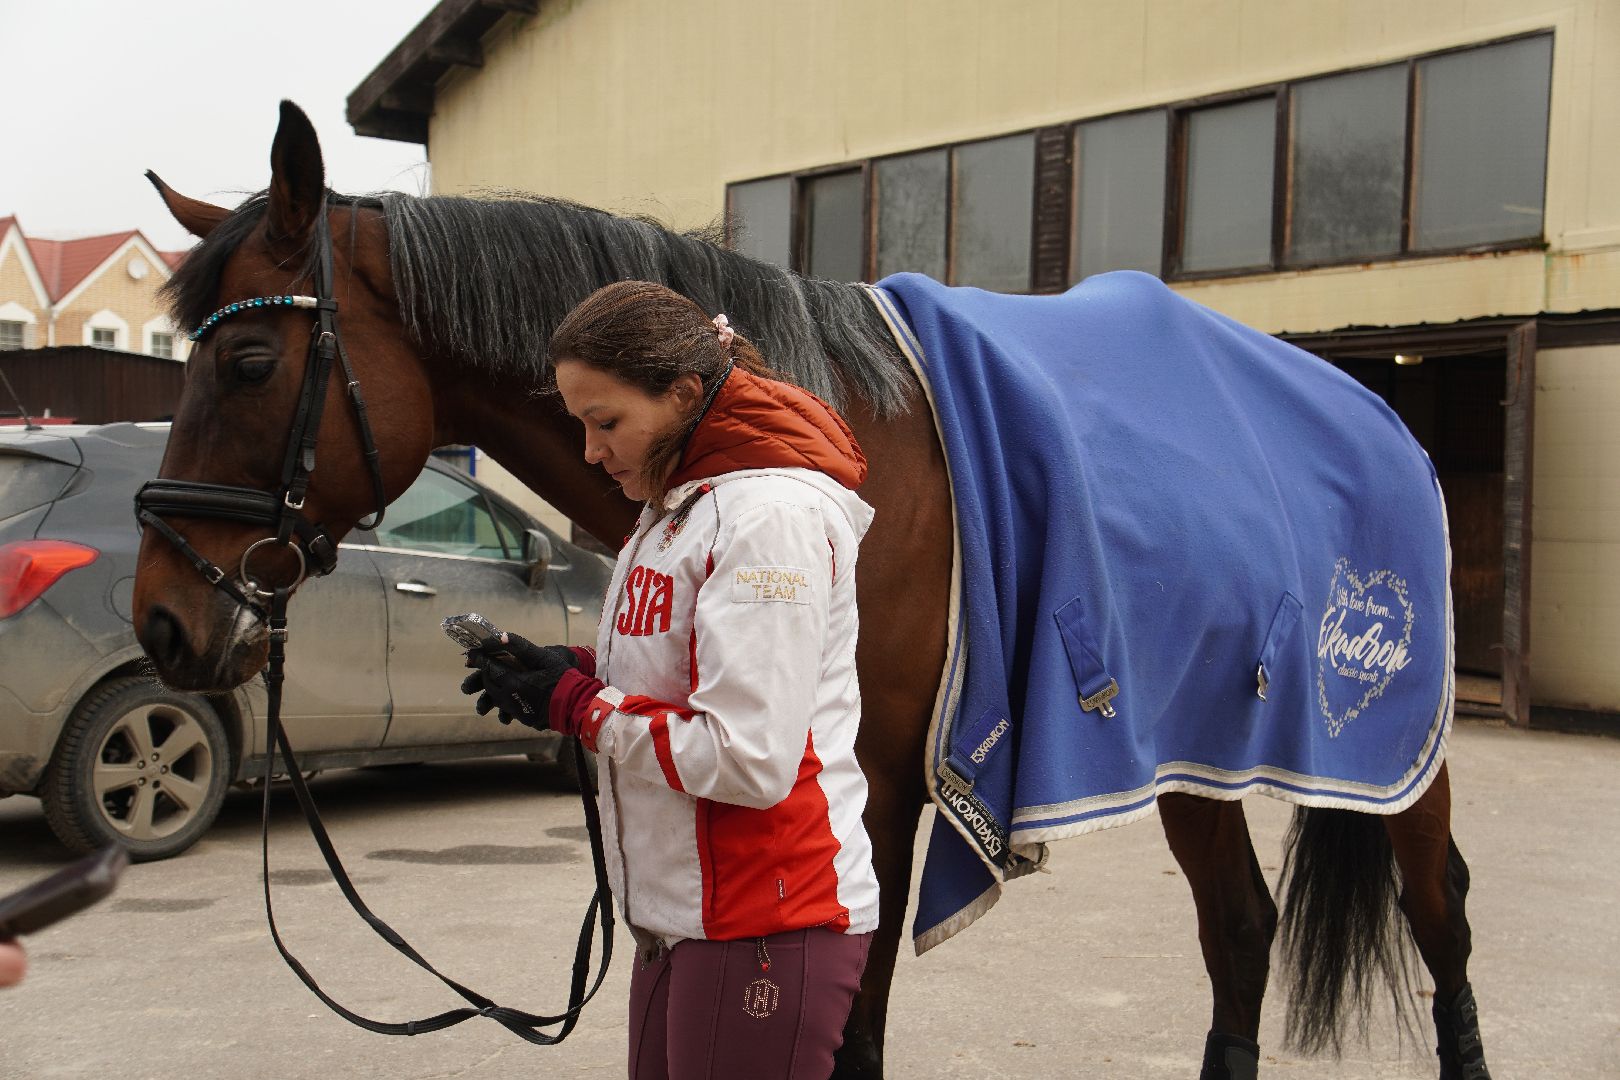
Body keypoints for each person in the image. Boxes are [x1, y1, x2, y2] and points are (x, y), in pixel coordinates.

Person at [460, 280, 879, 1079]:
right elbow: (687, 676)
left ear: (686, 393)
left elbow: (749, 757)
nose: (589, 451)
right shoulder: (680, 504)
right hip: (687, 917)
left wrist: (581, 706)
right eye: (580, 423)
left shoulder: (766, 518)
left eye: (606, 421)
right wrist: (561, 673)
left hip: (765, 915)